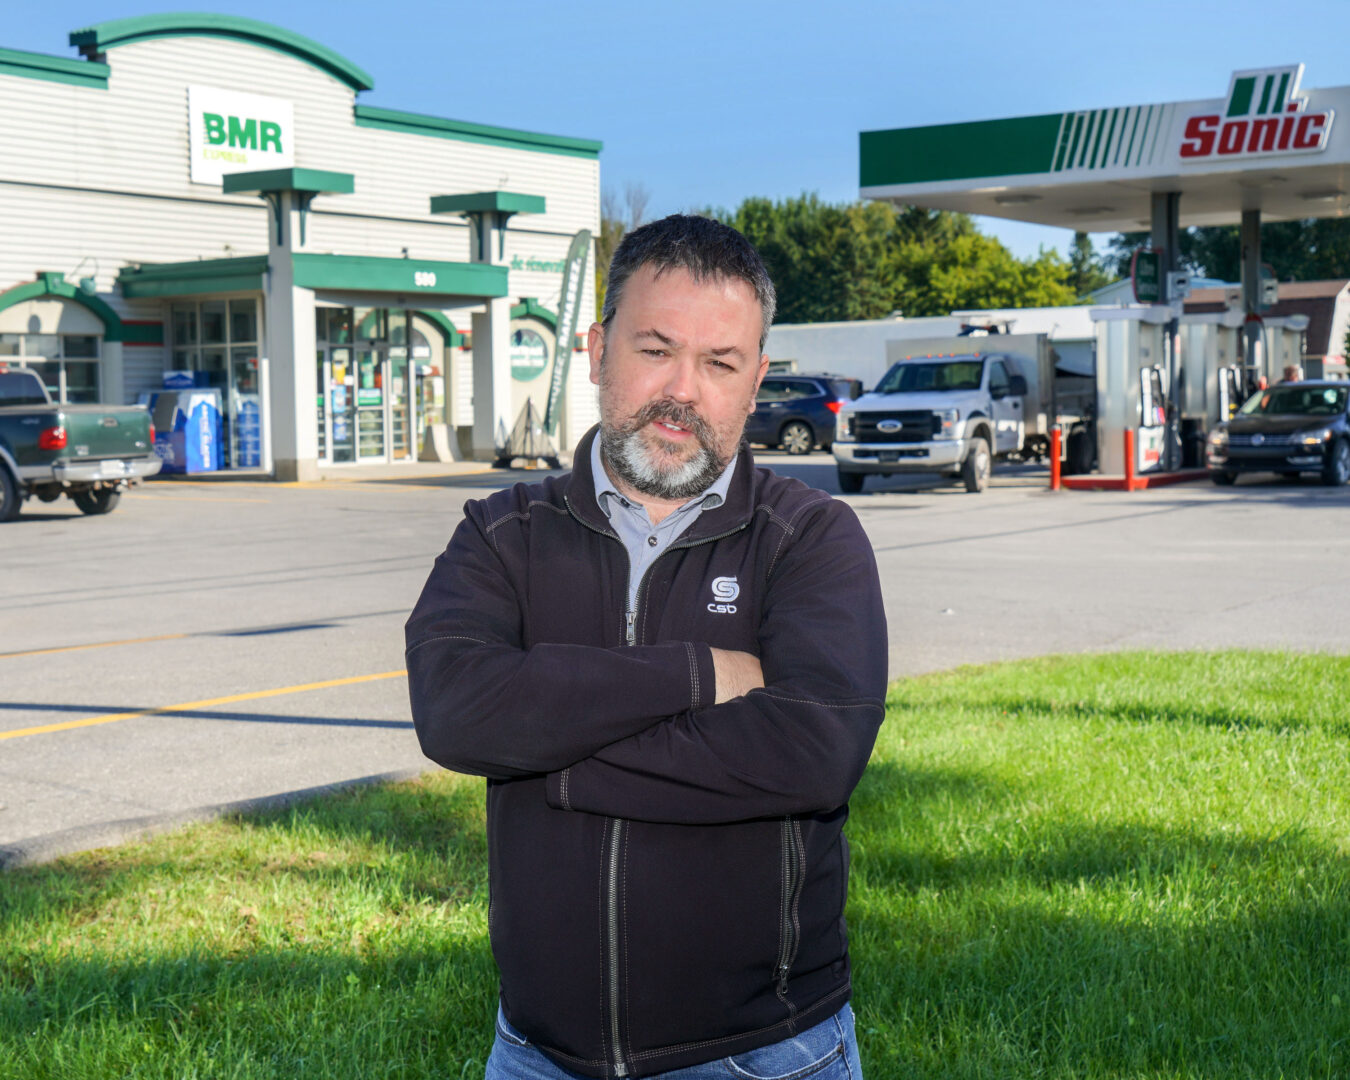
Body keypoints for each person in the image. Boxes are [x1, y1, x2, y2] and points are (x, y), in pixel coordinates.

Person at [406, 214, 888, 1080]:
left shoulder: (810, 539)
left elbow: (813, 751)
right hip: (537, 1056)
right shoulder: (501, 533)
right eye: (656, 349)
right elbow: (455, 711)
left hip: (764, 1056)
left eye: (720, 363)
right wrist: (699, 672)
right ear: (596, 351)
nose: (684, 391)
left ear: (756, 381)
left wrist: (549, 759)